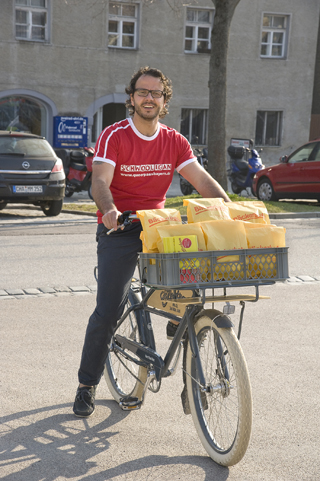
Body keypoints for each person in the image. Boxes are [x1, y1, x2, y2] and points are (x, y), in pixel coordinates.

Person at [73, 66, 230, 417]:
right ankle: (87, 384)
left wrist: (229, 209)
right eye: (142, 92)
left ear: (164, 100)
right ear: (132, 98)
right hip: (121, 227)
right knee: (108, 308)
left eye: (155, 93)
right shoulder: (116, 135)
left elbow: (202, 181)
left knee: (194, 281)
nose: (148, 98)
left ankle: (181, 321)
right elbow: (100, 181)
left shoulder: (174, 140)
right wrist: (109, 209)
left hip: (158, 226)